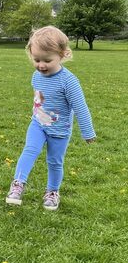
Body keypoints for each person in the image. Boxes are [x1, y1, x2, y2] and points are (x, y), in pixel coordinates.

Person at [6, 26, 96, 211]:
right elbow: (39, 98)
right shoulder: (36, 76)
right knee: (30, 150)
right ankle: (18, 184)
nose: (41, 65)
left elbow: (80, 107)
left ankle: (52, 192)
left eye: (47, 60)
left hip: (60, 131)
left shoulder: (69, 81)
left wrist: (87, 132)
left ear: (63, 55)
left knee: (55, 161)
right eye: (36, 59)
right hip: (38, 124)